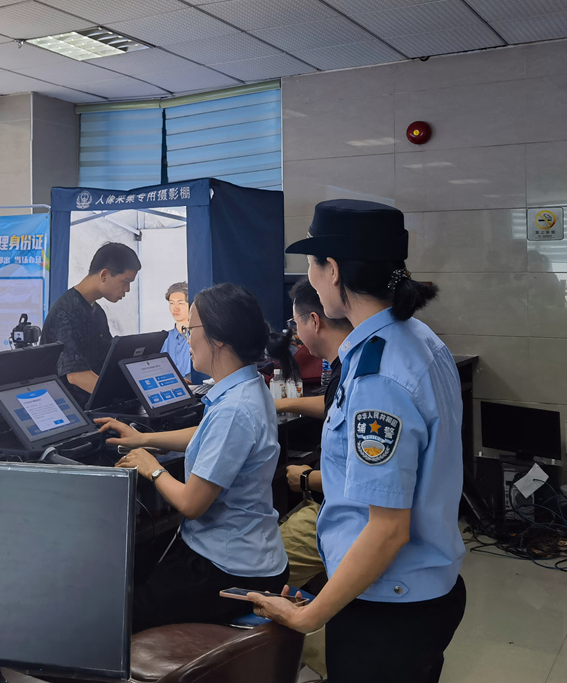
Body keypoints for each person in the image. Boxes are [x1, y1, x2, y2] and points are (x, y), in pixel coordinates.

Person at [249, 199, 466, 683]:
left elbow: (388, 530)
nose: (310, 277)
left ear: (332, 270)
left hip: (388, 605)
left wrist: (310, 615)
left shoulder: (378, 375)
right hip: (414, 591)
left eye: (312, 264)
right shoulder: (417, 339)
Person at [97, 283, 288, 633]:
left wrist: (152, 469)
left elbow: (191, 504)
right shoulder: (246, 386)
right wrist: (144, 439)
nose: (187, 337)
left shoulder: (234, 409)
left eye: (191, 328)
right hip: (251, 555)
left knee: (116, 612)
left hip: (227, 569)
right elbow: (208, 436)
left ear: (219, 339)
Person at [274, 277, 352, 590]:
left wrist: (307, 479)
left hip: (338, 513)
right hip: (332, 505)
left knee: (255, 569)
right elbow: (337, 404)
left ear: (315, 321)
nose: (295, 332)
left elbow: (363, 479)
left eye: (296, 323)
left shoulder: (351, 371)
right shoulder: (350, 366)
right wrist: (284, 403)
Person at [40, 242, 140, 406]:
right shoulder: (66, 311)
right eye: (125, 281)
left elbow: (108, 362)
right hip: (69, 412)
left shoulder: (96, 311)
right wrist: (124, 397)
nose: (127, 289)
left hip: (91, 407)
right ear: (104, 275)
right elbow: (76, 376)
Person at [160, 282, 192, 379]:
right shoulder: (163, 339)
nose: (175, 308)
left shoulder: (199, 338)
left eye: (181, 303)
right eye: (172, 303)